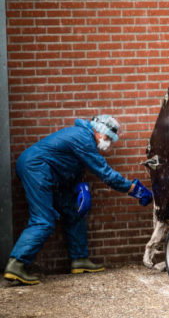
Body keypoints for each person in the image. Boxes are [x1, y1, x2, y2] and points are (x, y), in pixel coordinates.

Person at [3, 115, 153, 285]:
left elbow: (68, 164)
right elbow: (106, 174)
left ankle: (79, 260)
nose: (109, 143)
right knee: (43, 220)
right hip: (37, 169)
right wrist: (133, 189)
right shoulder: (83, 138)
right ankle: (16, 265)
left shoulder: (84, 137)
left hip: (49, 173)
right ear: (100, 131)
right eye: (109, 138)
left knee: (75, 211)